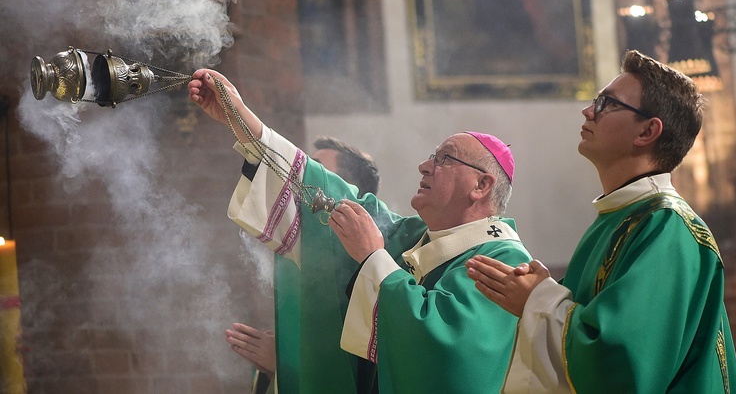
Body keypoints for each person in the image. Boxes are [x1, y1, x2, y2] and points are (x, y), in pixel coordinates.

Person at [188, 68, 532, 393]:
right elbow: (330, 196)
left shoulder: (503, 260)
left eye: (445, 159)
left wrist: (373, 258)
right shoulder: (411, 237)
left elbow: (444, 357)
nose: (425, 166)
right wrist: (243, 121)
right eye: (432, 155)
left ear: (481, 185)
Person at [465, 50, 736, 392]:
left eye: (607, 103)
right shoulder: (619, 217)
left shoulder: (668, 228)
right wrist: (538, 294)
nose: (588, 110)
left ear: (647, 132)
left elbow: (622, 362)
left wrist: (537, 299)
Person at [226, 136, 380, 394]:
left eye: (317, 171)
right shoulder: (305, 256)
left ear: (347, 190)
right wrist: (274, 369)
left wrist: (287, 362)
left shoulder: (369, 264)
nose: (303, 179)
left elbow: (358, 369)